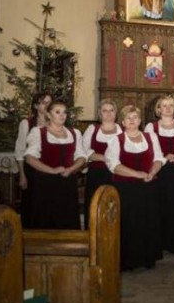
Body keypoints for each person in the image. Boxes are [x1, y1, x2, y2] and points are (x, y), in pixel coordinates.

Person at [106, 105, 165, 270]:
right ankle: (128, 260)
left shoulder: (150, 137)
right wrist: (137, 174)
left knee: (147, 221)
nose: (132, 121)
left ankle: (147, 258)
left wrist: (152, 173)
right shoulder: (116, 140)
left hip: (148, 187)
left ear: (140, 120)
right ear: (123, 122)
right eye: (128, 118)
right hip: (125, 189)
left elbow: (159, 158)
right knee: (128, 223)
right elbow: (114, 165)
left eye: (135, 117)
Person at [24, 100, 87, 229]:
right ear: (48, 114)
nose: (62, 115)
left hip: (67, 184)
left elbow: (81, 156)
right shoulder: (38, 132)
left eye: (64, 112)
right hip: (44, 184)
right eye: (57, 112)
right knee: (44, 220)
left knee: (66, 220)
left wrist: (72, 168)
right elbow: (30, 158)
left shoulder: (75, 133)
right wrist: (52, 170)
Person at [144, 95, 174, 253]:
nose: (168, 108)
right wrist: (164, 157)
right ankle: (160, 242)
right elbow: (148, 150)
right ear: (158, 109)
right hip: (159, 171)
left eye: (171, 105)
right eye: (164, 105)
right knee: (160, 205)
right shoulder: (151, 127)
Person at [82, 99, 122, 228]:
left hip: (116, 174)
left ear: (115, 113)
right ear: (100, 113)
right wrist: (101, 157)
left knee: (114, 205)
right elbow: (84, 151)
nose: (108, 113)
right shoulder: (92, 129)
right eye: (105, 110)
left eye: (111, 110)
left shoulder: (122, 130)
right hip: (97, 174)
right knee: (96, 204)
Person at [15, 92, 52, 228]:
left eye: (49, 102)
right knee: (32, 203)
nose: (47, 105)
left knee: (48, 203)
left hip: (50, 168)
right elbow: (20, 151)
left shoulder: (55, 122)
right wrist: (22, 175)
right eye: (44, 102)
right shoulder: (27, 123)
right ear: (36, 106)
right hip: (32, 169)